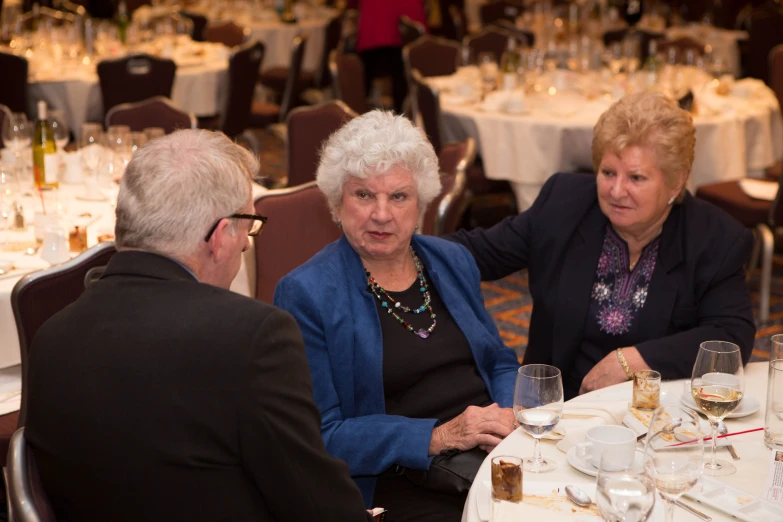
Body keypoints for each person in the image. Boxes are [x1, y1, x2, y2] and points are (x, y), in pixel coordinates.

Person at [24, 130, 375, 522]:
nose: (247, 245)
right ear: (223, 235)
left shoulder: (51, 336)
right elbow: (315, 505)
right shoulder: (252, 338)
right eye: (248, 227)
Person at [274, 111, 519, 522]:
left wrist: (510, 417)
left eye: (399, 196)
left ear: (421, 203)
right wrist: (437, 437)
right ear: (336, 203)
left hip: (492, 454)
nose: (382, 214)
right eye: (364, 195)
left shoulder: (451, 259)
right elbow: (321, 436)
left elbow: (498, 360)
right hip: (400, 478)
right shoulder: (308, 293)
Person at [448, 91, 756, 400]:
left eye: (636, 178)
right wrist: (405, 245)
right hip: (555, 408)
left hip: (653, 415)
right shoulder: (564, 203)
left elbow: (730, 336)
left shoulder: (714, 238)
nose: (616, 191)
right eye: (608, 173)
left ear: (676, 182)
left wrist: (632, 361)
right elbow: (477, 252)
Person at [354, 0, 428, 114]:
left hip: (373, 34)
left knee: (370, 79)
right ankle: (402, 113)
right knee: (400, 75)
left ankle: (362, 112)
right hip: (399, 40)